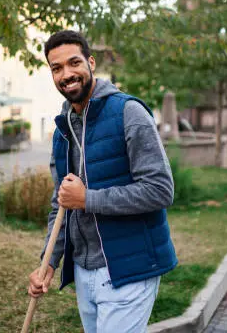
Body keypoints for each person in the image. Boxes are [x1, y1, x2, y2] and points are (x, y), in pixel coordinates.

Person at [28, 30, 177, 332]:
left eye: (73, 63)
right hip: (85, 271)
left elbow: (161, 190)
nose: (66, 74)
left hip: (129, 268)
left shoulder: (128, 112)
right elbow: (62, 204)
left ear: (91, 62)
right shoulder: (62, 129)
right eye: (56, 68)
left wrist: (88, 199)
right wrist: (49, 263)